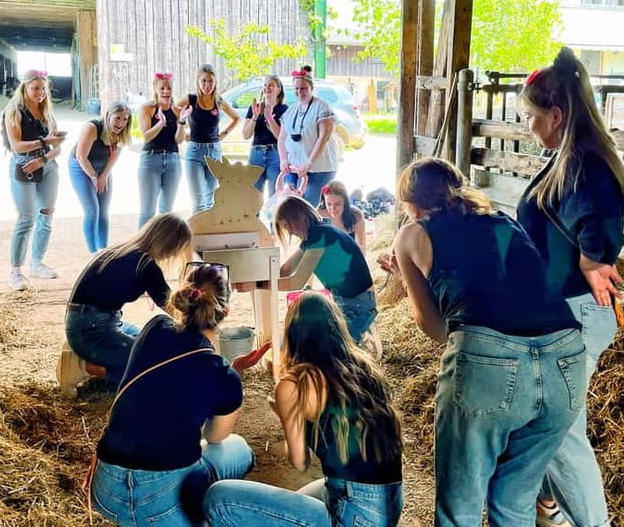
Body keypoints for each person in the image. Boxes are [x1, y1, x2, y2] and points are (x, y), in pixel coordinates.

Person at [378, 157, 587, 526]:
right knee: (514, 503)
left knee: (461, 507)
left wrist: (413, 279)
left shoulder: (411, 235)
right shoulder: (503, 220)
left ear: (410, 204)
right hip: (566, 357)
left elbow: (436, 329)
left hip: (489, 358)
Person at [516, 47, 624, 527]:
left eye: (531, 116)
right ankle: (549, 508)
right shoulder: (568, 158)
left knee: (561, 435)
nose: (528, 126)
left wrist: (592, 258)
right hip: (562, 311)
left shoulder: (587, 163)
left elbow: (603, 224)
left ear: (557, 115)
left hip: (576, 314)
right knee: (540, 419)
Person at [205, 292, 403, 527]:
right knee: (301, 495)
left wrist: (284, 413)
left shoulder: (295, 383)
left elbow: (299, 461)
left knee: (218, 498)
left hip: (355, 512)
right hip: (386, 504)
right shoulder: (363, 366)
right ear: (336, 326)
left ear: (293, 332)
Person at [90, 260, 254, 526]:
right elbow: (214, 437)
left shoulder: (154, 328)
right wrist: (231, 376)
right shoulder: (223, 375)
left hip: (106, 495)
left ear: (183, 298)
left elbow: (176, 373)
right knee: (240, 450)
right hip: (163, 506)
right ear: (226, 310)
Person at [65, 213, 192, 387]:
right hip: (91, 329)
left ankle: (98, 358)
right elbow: (171, 305)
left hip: (97, 321)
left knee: (151, 344)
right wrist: (198, 321)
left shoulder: (123, 250)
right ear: (169, 244)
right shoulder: (145, 265)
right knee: (149, 364)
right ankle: (85, 366)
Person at [274, 196, 377, 347]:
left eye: (287, 226)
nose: (289, 232)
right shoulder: (317, 234)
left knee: (336, 352)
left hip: (357, 303)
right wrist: (260, 275)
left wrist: (259, 285)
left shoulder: (319, 236)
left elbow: (297, 282)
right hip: (350, 300)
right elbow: (285, 270)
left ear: (298, 218)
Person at [3, 69, 66, 291]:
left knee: (46, 215)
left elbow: (57, 147)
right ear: (25, 88)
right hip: (23, 163)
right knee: (26, 218)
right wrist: (43, 143)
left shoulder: (47, 112)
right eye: (35, 88)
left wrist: (45, 157)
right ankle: (15, 271)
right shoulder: (14, 110)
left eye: (43, 88)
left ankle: (36, 263)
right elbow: (17, 146)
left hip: (47, 164)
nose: (40, 93)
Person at [69, 101, 133, 253]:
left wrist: (104, 175)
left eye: (125, 119)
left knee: (103, 210)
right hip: (81, 166)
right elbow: (80, 156)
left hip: (103, 167)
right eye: (117, 118)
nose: (121, 123)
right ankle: (93, 252)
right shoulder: (92, 128)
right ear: (108, 116)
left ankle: (103, 250)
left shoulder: (121, 132)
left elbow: (114, 157)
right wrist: (92, 176)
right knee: (92, 210)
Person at [177, 64, 240, 213]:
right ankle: (198, 234)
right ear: (198, 81)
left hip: (214, 152)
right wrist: (182, 130)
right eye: (204, 81)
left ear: (215, 82)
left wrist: (224, 134)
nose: (207, 85)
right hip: (194, 152)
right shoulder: (191, 99)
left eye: (210, 81)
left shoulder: (219, 101)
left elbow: (236, 118)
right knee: (198, 199)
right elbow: (173, 111)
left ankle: (210, 233)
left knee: (211, 198)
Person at [278, 65, 338, 205]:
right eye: (297, 88)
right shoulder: (291, 110)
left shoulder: (322, 107)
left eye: (303, 88)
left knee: (307, 207)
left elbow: (324, 137)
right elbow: (282, 137)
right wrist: (283, 160)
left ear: (311, 88)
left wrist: (309, 163)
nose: (300, 92)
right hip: (294, 168)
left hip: (318, 169)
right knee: (290, 206)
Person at [138, 72, 183, 228]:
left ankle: (162, 248)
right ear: (155, 89)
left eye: (169, 88)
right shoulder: (148, 108)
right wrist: (159, 124)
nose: (166, 91)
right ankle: (140, 250)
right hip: (151, 159)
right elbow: (146, 136)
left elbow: (179, 140)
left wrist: (182, 123)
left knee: (166, 210)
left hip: (173, 160)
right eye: (162, 88)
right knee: (147, 211)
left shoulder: (178, 111)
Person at [244, 74, 288, 197]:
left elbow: (281, 137)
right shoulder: (255, 108)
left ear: (279, 89)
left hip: (275, 154)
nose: (267, 88)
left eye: (271, 85)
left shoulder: (284, 110)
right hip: (256, 154)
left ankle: (272, 217)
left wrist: (270, 119)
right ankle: (255, 216)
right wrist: (255, 116)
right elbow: (246, 135)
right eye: (265, 85)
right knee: (253, 195)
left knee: (275, 193)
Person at [318, 179, 366, 251]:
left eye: (337, 204)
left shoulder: (356, 216)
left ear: (345, 202)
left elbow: (361, 248)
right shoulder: (320, 215)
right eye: (329, 204)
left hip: (351, 255)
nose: (333, 209)